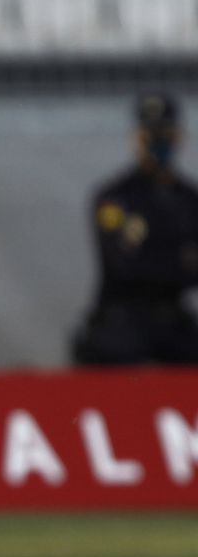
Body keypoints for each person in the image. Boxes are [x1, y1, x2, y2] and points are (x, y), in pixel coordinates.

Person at [74, 92, 198, 365]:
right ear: (136, 139)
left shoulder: (189, 199)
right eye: (150, 135)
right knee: (106, 351)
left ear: (179, 138)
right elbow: (125, 264)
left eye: (165, 134)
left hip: (174, 318)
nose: (158, 143)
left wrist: (156, 256)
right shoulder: (115, 197)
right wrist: (180, 260)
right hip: (124, 317)